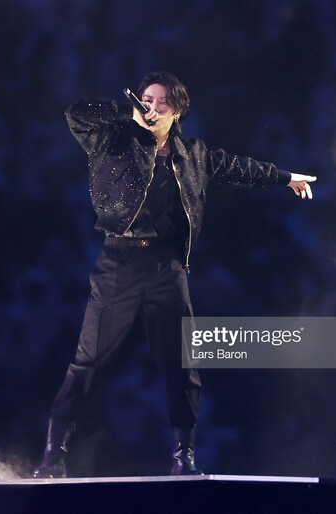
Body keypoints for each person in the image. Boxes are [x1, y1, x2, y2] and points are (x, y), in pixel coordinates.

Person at [33, 71, 316, 478]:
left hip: (167, 268)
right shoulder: (114, 137)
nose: (152, 106)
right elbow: (75, 114)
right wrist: (126, 111)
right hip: (119, 263)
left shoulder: (193, 154)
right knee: (90, 361)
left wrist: (287, 178)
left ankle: (184, 457)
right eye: (146, 98)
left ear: (177, 110)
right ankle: (53, 454)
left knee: (182, 362)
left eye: (160, 101)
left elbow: (240, 167)